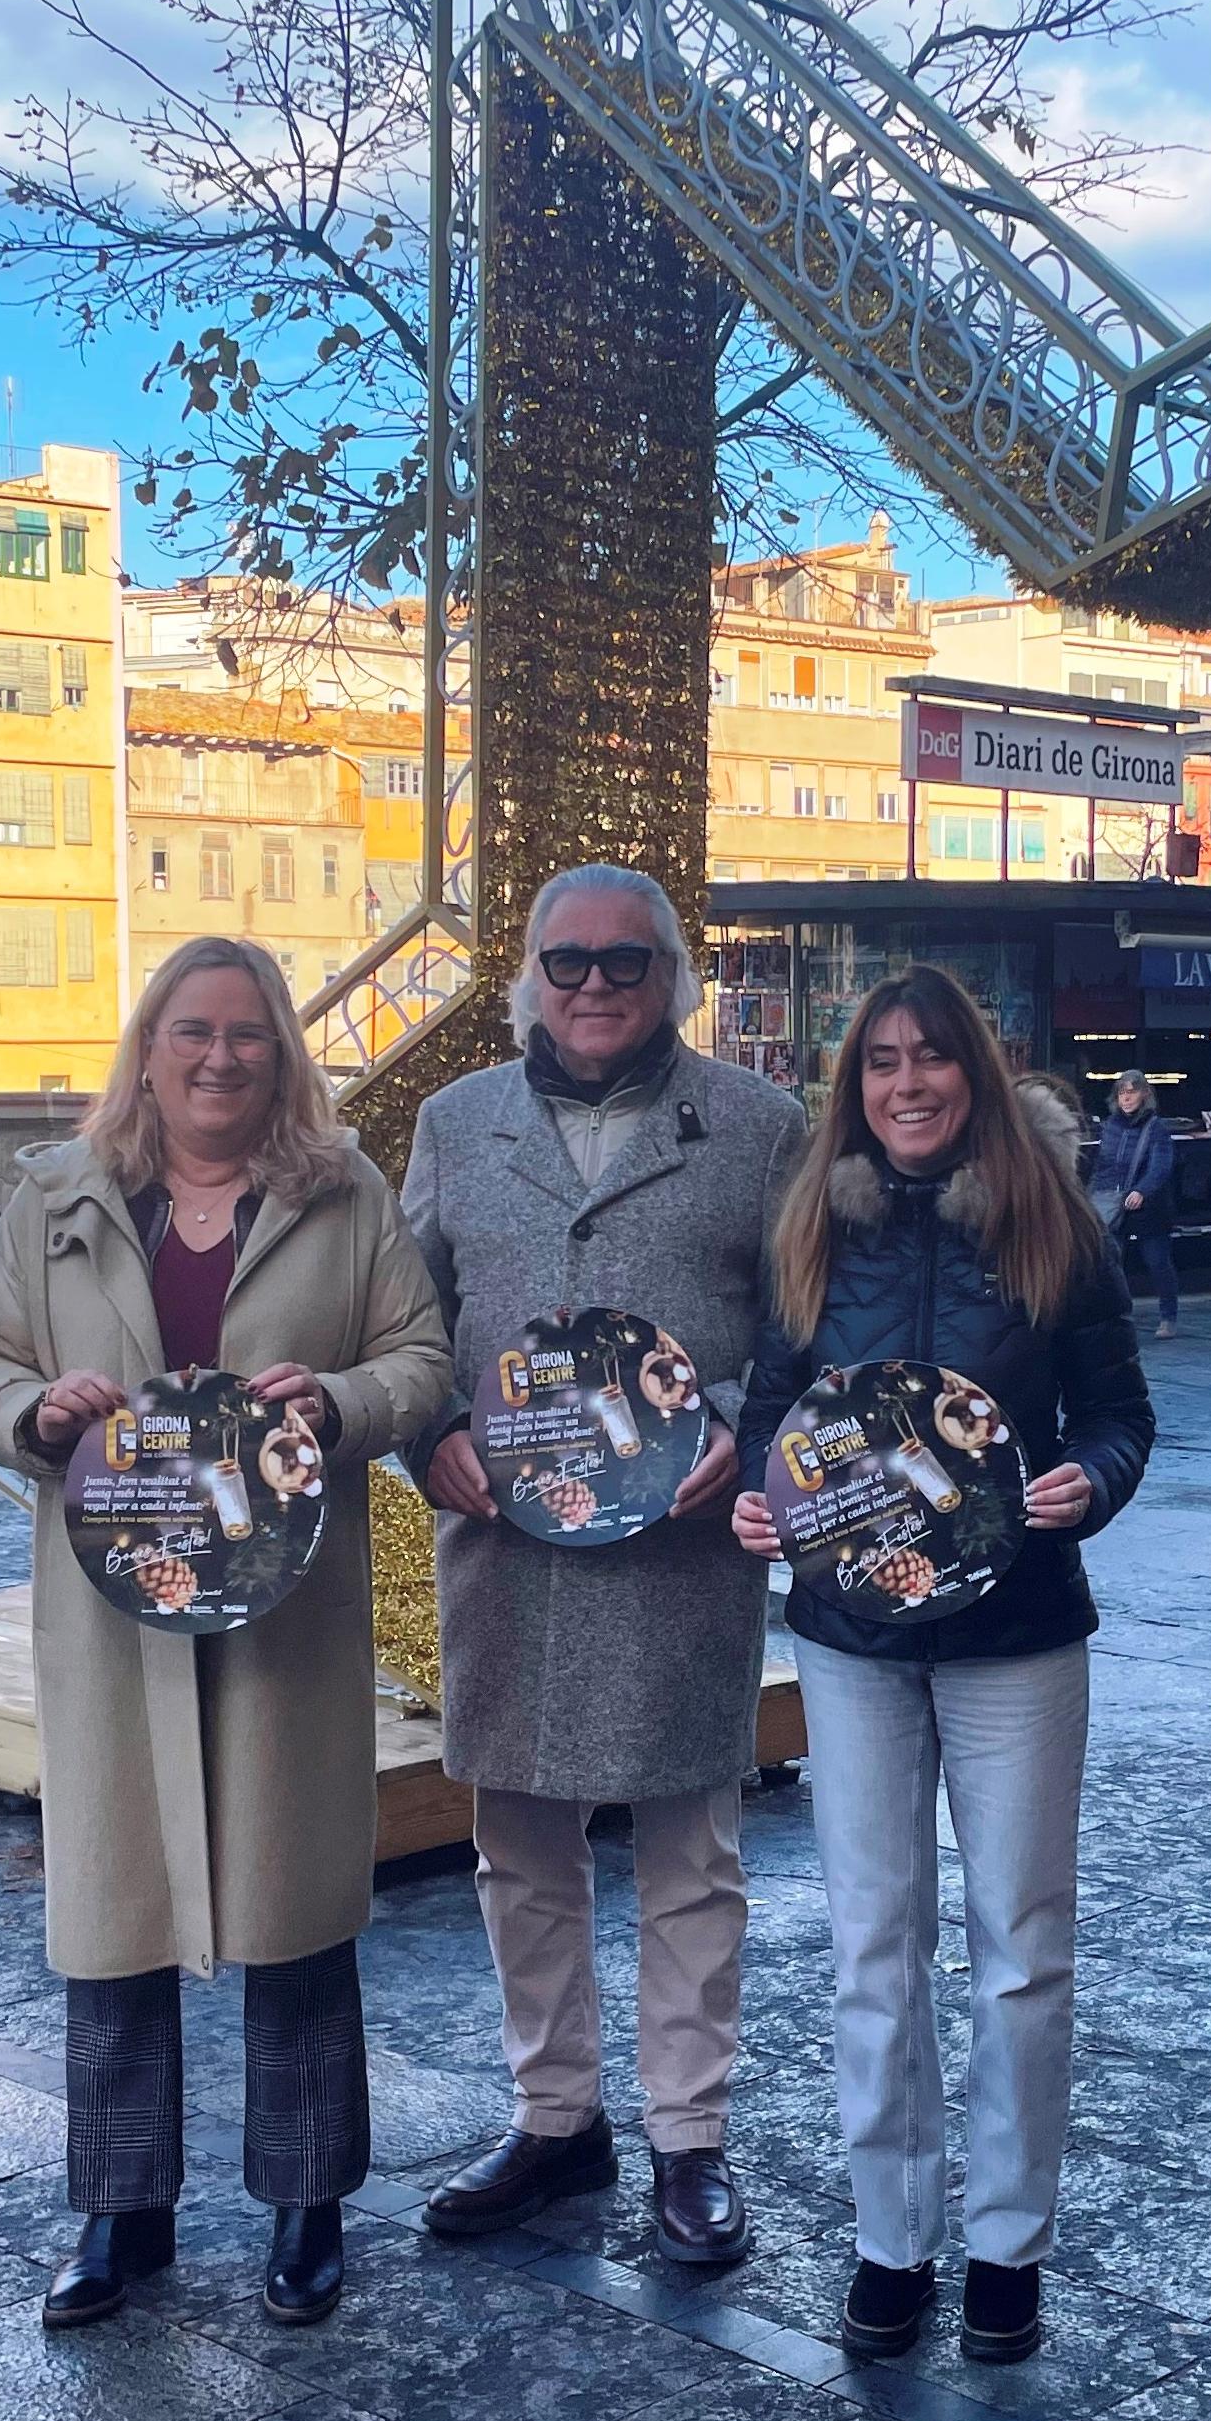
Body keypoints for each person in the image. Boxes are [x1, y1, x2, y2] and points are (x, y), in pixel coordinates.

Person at [0, 935, 451, 2333]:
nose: (220, 1056)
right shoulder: (56, 1194)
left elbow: (423, 1359)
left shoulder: (343, 1193)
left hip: (286, 1605)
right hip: (118, 1608)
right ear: (148, 1047)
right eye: (192, 1031)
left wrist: (340, 1402)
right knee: (116, 1911)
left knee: (294, 1911)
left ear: (283, 1053)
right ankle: (123, 2213)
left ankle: (306, 2205)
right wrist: (31, 1416)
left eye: (248, 1033)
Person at [733, 965, 1153, 2367]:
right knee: (874, 1943)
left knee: (1023, 1950)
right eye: (882, 1064)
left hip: (1018, 1634)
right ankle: (890, 2238)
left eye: (932, 1059)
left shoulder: (1050, 1227)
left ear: (973, 1072)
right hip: (851, 1638)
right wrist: (756, 1493)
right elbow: (774, 1415)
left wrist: (1087, 1483)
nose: (907, 1083)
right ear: (858, 1089)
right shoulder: (814, 1234)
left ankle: (1005, 2248)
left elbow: (1117, 1414)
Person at [403, 865, 806, 2264]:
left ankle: (690, 2142)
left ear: (673, 978)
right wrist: (429, 1432)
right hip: (505, 1544)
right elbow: (409, 1323)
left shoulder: (762, 1129)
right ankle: (555, 2121)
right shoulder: (453, 1125)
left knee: (692, 1855)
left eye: (622, 965)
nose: (591, 988)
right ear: (526, 973)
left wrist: (750, 1434)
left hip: (682, 1547)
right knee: (518, 1850)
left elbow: (814, 1337)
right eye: (564, 963)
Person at [1092, 1070, 1179, 1338]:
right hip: (1115, 1206)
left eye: (1131, 1092)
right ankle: (1113, 1316)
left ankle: (1168, 1317)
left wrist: (1142, 1190)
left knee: (1157, 1262)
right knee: (1110, 1264)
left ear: (1144, 1094)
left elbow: (1161, 1166)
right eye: (1121, 1092)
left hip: (1149, 1209)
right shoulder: (1110, 1126)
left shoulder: (1156, 1128)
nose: (1126, 1098)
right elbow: (1101, 1166)